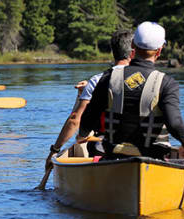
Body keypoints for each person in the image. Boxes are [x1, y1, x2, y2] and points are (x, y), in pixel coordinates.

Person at [81, 22, 184, 160]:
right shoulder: (167, 84)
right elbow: (174, 124)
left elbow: (89, 117)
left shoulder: (108, 78)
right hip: (153, 157)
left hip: (115, 156)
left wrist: (82, 134)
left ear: (132, 45)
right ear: (159, 51)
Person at [45, 29, 134, 174]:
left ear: (113, 51)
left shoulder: (97, 80)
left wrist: (54, 151)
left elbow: (75, 120)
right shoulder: (149, 79)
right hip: (140, 147)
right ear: (134, 52)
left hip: (104, 147)